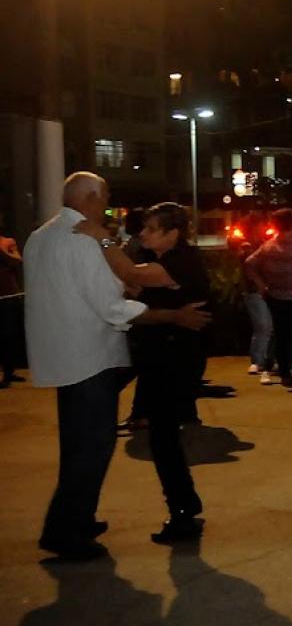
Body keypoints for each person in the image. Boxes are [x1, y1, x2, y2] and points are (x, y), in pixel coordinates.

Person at [24, 173, 209, 560]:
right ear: (90, 199)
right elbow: (113, 302)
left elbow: (127, 280)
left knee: (82, 445)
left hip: (62, 354)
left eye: (151, 228)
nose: (107, 205)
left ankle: (80, 518)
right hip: (91, 354)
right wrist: (169, 317)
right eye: (105, 197)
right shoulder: (84, 240)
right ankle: (67, 530)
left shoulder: (39, 236)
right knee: (92, 447)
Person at [122, 203, 212, 543]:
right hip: (164, 357)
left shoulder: (180, 262)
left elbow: (132, 276)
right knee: (164, 438)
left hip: (174, 360)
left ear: (171, 233)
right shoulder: (172, 260)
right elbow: (135, 287)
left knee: (164, 439)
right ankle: (184, 508)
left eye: (150, 229)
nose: (142, 234)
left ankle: (184, 514)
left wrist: (99, 242)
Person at [244, 208, 292, 386]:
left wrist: (261, 284)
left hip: (275, 296)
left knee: (282, 336)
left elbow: (249, 263)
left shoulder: (268, 247)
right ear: (291, 224)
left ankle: (285, 374)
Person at [236, 241, 275, 381]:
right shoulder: (250, 253)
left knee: (269, 327)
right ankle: (258, 361)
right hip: (254, 292)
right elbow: (245, 264)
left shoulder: (267, 246)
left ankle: (267, 360)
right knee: (263, 327)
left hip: (268, 291)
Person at [1, 212, 23, 387]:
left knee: (9, 335)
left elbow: (17, 262)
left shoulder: (8, 242)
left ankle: (9, 372)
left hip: (8, 295)